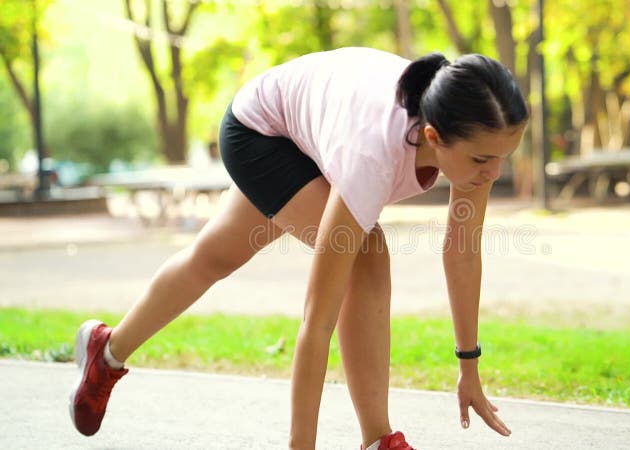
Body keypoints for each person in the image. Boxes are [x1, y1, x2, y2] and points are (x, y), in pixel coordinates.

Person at [68, 47, 529, 450]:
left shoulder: (473, 141)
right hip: (262, 132)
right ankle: (378, 438)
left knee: (214, 256)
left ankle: (105, 353)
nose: (493, 173)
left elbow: (463, 250)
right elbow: (318, 321)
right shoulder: (375, 156)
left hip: (317, 126)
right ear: (433, 137)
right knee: (366, 254)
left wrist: (468, 366)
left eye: (503, 157)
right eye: (483, 160)